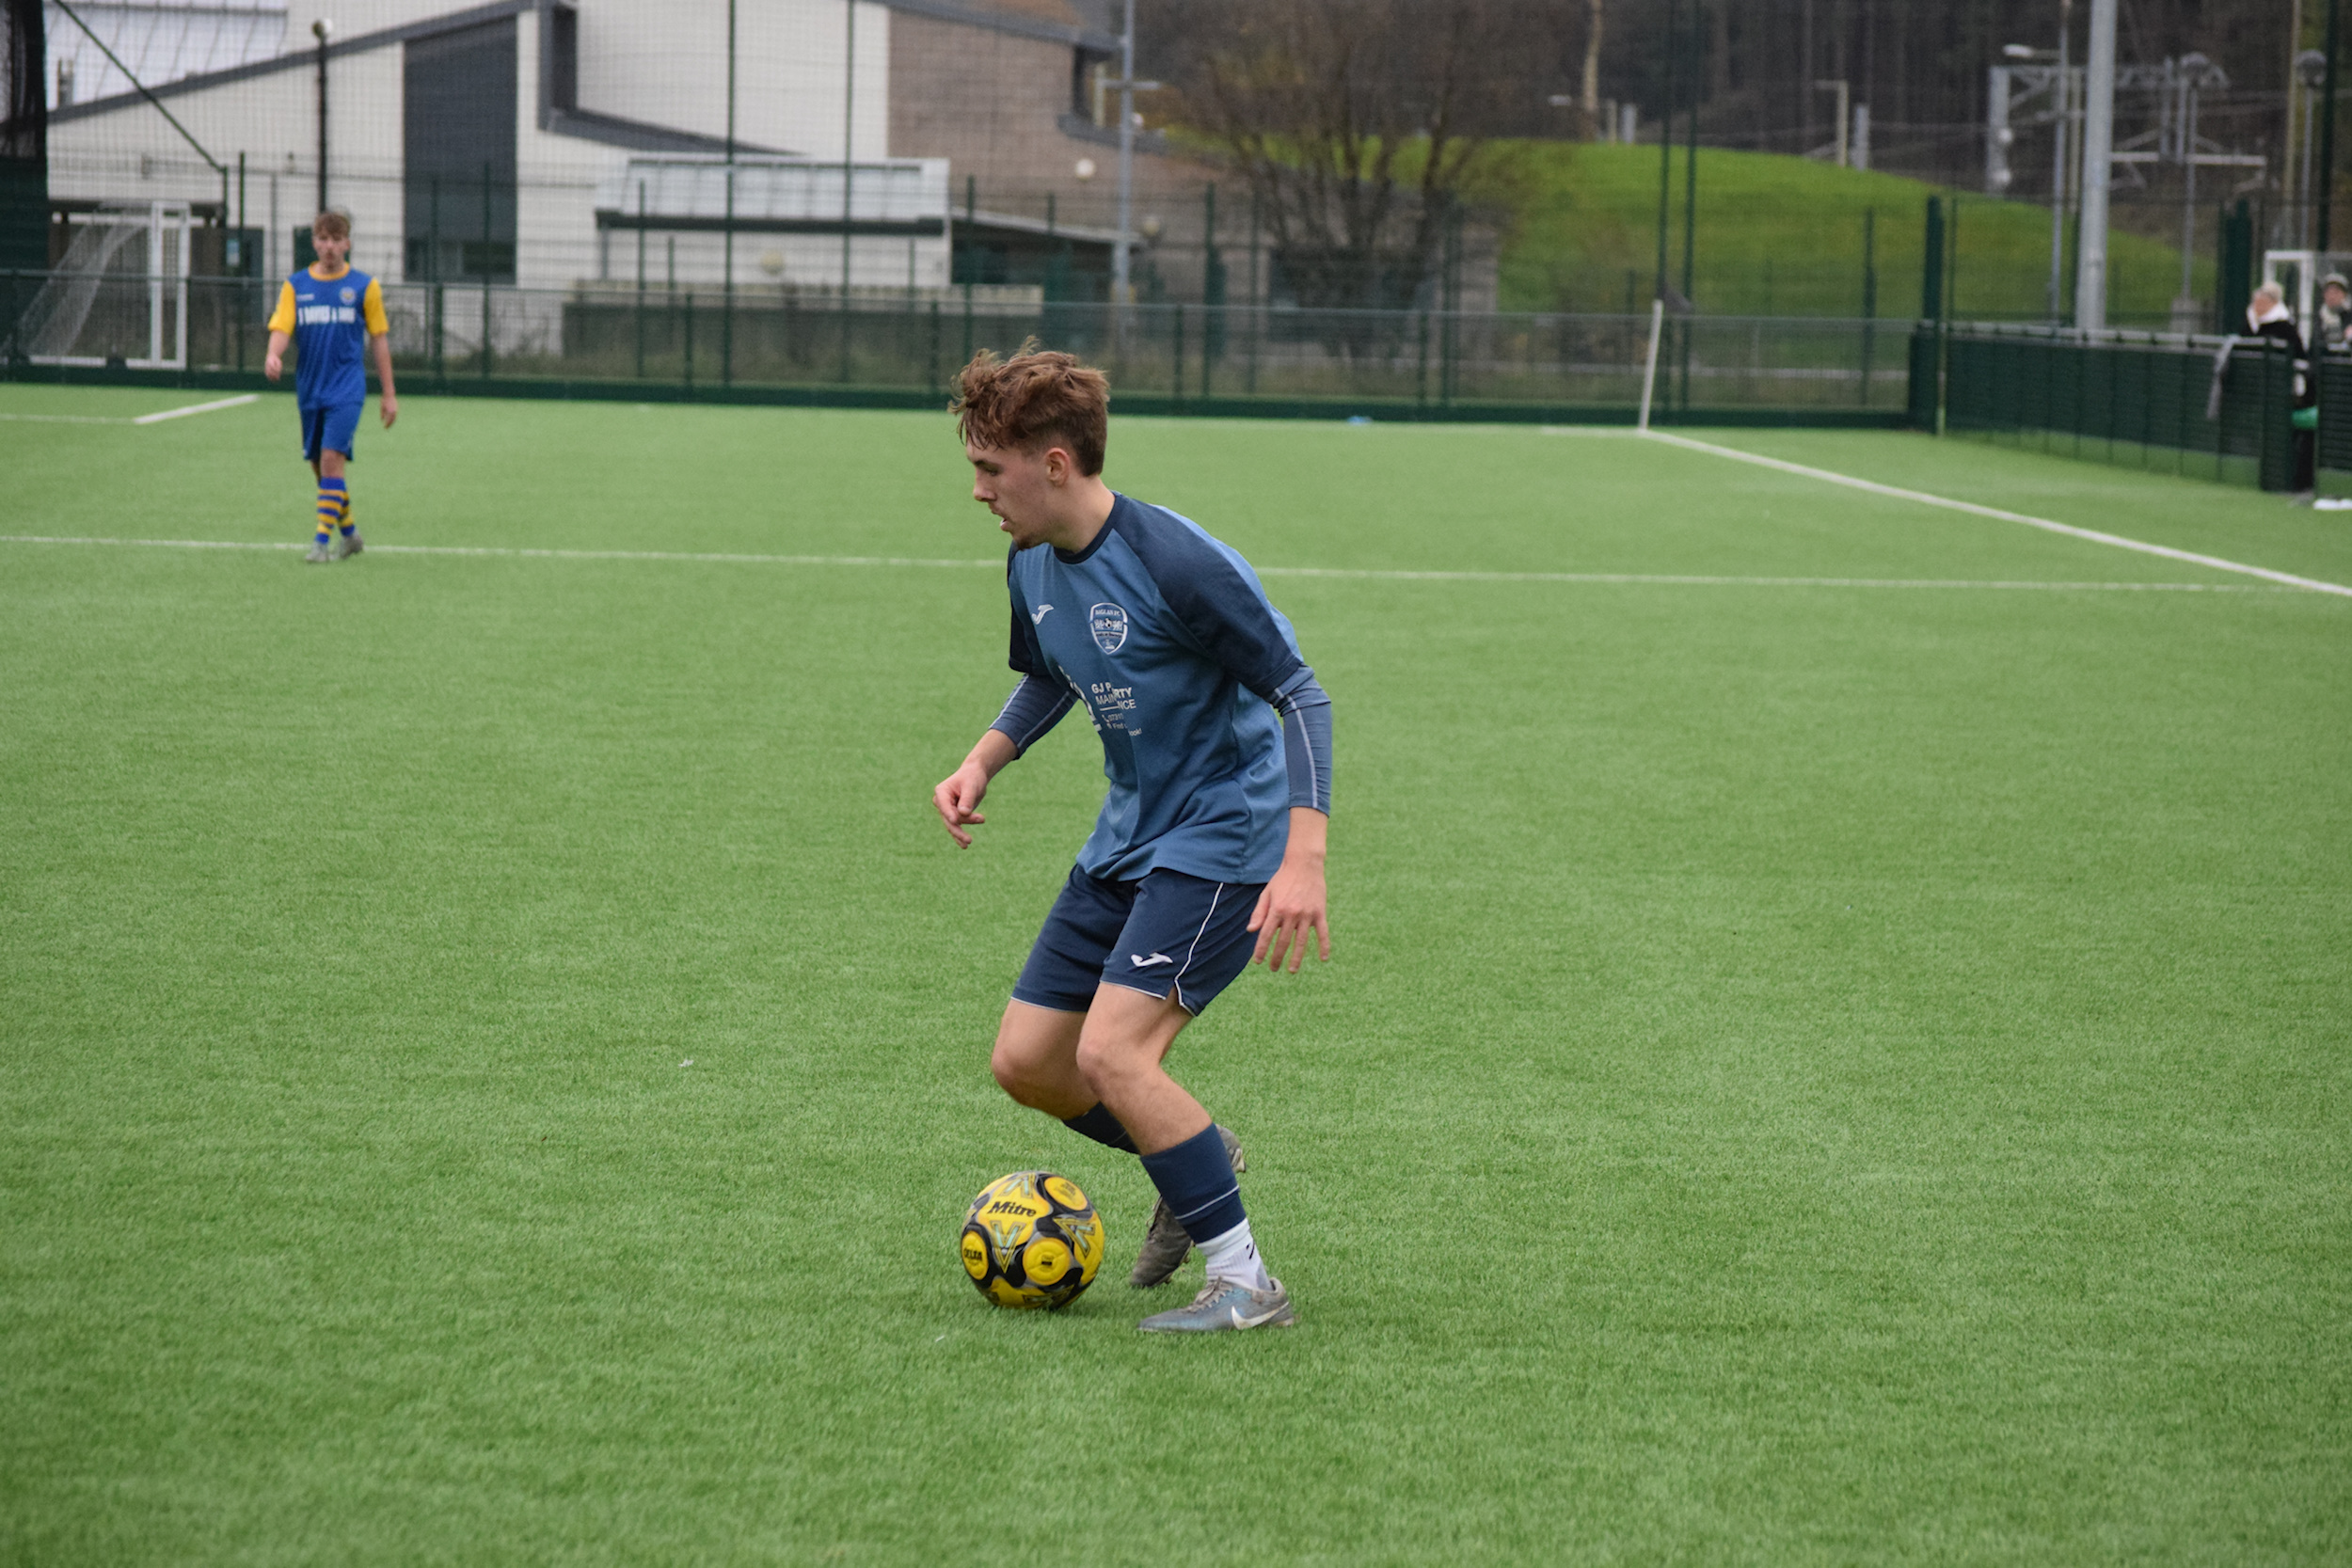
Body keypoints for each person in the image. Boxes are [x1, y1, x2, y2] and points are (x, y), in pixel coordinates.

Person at [931, 345, 1332, 1334]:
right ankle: (1191, 1148)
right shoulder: (1030, 558)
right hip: (1128, 837)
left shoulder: (1176, 562)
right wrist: (985, 758)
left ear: (1055, 463)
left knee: (1115, 1053)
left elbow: (1300, 692)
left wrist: (1302, 857)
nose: (978, 490)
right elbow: (1053, 671)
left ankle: (1246, 1284)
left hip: (1223, 838)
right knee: (1028, 1062)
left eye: (992, 469)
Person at [263, 209, 397, 562]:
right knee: (320, 467)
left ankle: (320, 542)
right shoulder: (295, 286)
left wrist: (389, 393)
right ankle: (350, 533)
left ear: (348, 244)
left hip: (347, 389)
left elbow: (379, 340)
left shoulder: (364, 287)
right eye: (323, 239)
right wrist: (273, 355)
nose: (330, 247)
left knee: (331, 457)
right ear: (314, 242)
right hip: (310, 388)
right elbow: (282, 327)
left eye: (337, 240)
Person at [2248, 283, 2317, 493]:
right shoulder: (2251, 322)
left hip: (2286, 393)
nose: (2255, 306)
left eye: (2260, 302)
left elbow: (2298, 359)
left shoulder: (2285, 327)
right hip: (2260, 392)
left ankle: (2297, 480)